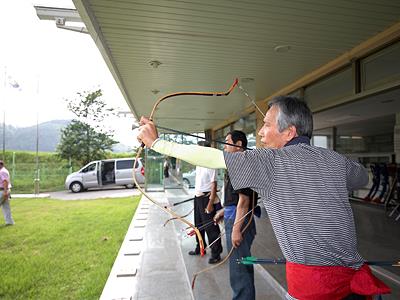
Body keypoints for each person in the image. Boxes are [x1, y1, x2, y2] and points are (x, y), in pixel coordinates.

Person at [138, 96, 391, 299]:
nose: (260, 132)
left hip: (315, 290)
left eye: (267, 124)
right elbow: (362, 179)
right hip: (355, 285)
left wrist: (157, 143)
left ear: (289, 132)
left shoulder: (271, 161)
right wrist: (326, 168)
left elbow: (211, 158)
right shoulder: (334, 159)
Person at [214, 130, 257, 300]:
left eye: (227, 142)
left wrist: (236, 229)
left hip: (241, 221)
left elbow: (245, 200)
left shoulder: (241, 163)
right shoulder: (238, 162)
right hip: (237, 216)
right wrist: (224, 210)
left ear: (238, 144)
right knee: (244, 264)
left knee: (239, 268)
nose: (224, 146)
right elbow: (237, 197)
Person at [189, 140, 223, 264]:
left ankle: (216, 253)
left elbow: (214, 186)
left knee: (210, 226)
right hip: (198, 198)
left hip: (206, 199)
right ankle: (200, 247)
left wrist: (209, 204)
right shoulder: (199, 163)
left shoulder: (210, 164)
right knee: (198, 225)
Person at [0, 160, 14, 226]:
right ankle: (9, 222)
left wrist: (5, 192)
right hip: (5, 190)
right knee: (6, 207)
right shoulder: (4, 171)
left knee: (6, 207)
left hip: (2, 190)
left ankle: (9, 222)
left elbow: (5, 181)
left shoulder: (2, 171)